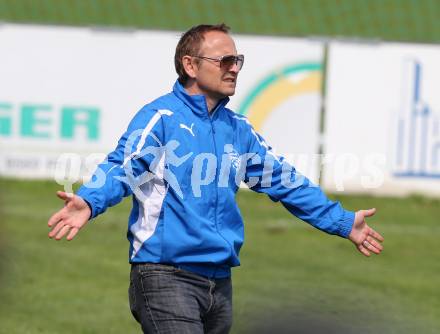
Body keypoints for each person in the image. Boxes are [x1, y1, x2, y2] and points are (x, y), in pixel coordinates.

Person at [47, 24, 384, 334]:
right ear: (190, 65)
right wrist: (90, 200)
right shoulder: (161, 117)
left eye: (237, 60)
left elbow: (285, 180)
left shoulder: (238, 129)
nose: (234, 67)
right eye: (224, 60)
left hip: (219, 283)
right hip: (165, 276)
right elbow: (124, 164)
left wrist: (341, 221)